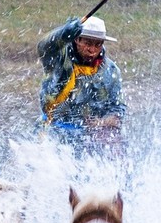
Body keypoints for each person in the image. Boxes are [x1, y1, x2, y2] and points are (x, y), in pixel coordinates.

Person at [37, 15, 125, 154]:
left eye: (98, 44)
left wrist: (100, 123)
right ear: (77, 39)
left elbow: (117, 111)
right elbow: (44, 48)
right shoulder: (59, 58)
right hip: (51, 129)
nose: (92, 50)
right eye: (88, 43)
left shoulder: (111, 71)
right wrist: (62, 33)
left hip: (88, 138)